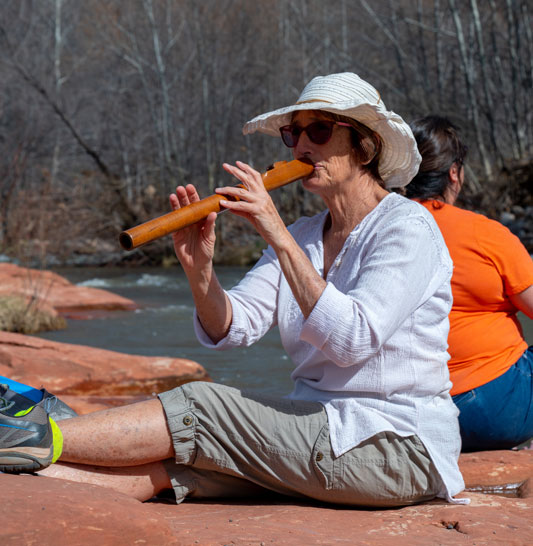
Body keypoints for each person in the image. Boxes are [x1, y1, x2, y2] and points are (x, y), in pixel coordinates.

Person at [0, 73, 467, 507]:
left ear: (364, 147)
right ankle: (20, 477)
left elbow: (352, 341)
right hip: (312, 429)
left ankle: (35, 434)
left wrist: (276, 235)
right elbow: (232, 328)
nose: (301, 144)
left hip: (397, 447)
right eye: (293, 133)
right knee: (172, 466)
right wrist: (199, 269)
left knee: (202, 405)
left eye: (319, 131)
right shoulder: (306, 233)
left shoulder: (407, 228)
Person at [405, 115, 533, 452]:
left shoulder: (382, 230)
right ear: (454, 173)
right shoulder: (486, 234)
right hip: (497, 408)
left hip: (414, 414)